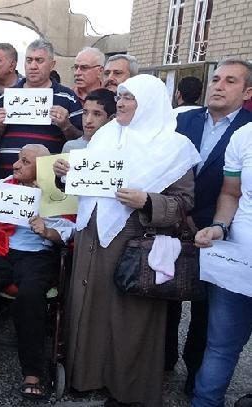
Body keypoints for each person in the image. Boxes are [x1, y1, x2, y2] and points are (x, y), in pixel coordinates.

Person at [56, 74, 201, 406]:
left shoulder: (174, 147)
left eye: (129, 97)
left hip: (135, 242)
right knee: (89, 308)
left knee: (128, 319)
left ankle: (127, 389)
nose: (120, 102)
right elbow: (87, 184)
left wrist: (147, 201)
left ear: (148, 103)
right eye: (120, 96)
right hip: (92, 238)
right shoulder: (106, 134)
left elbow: (184, 203)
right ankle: (87, 376)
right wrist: (66, 176)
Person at [0, 144, 74, 400]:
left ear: (42, 169)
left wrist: (47, 231)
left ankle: (32, 371)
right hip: (4, 250)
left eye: (25, 162)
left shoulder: (56, 194)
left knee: (31, 294)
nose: (15, 165)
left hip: (38, 255)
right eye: (18, 159)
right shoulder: (4, 186)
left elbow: (69, 233)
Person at [170, 58, 252, 396]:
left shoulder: (247, 131)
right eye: (216, 78)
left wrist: (218, 224)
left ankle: (195, 373)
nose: (218, 86)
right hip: (175, 223)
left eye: (230, 81)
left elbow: (232, 191)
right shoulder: (182, 120)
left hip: (220, 232)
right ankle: (163, 359)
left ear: (247, 92)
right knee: (165, 295)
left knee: (208, 312)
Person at [192, 121, 252, 407]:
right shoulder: (244, 136)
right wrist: (219, 227)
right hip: (239, 262)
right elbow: (230, 193)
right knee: (221, 346)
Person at [0, 38, 82, 179]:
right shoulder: (7, 97)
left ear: (52, 65)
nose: (33, 66)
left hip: (47, 180)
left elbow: (81, 141)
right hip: (7, 179)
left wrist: (66, 126)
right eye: (29, 60)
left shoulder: (68, 97)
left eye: (39, 60)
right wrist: (0, 127)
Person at [62, 88, 116, 152]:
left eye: (97, 114)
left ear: (111, 119)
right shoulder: (71, 148)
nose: (88, 120)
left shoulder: (119, 147)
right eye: (85, 113)